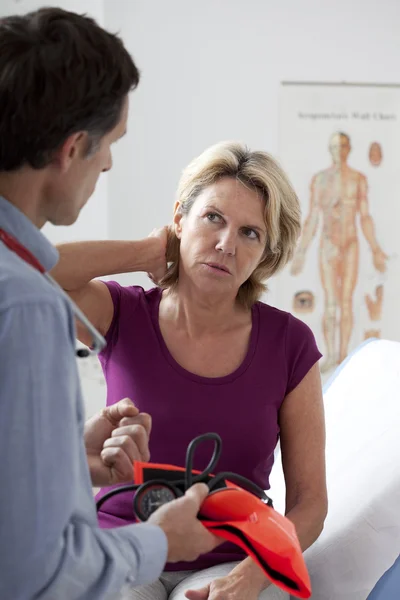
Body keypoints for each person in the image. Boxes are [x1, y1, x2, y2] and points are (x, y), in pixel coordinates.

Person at [0, 8, 222, 600]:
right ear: (73, 148)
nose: (110, 163)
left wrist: (68, 459)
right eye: (111, 144)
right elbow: (32, 568)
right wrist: (161, 543)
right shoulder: (26, 302)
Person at [52, 141, 328, 600]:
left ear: (266, 253)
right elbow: (29, 270)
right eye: (213, 218)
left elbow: (311, 504)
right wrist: (142, 252)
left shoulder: (290, 343)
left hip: (231, 557)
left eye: (250, 234)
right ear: (180, 218)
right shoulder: (122, 313)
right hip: (125, 543)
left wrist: (252, 576)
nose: (225, 245)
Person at [291, 132, 388, 373]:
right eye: (335, 146)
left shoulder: (358, 179)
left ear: (349, 148)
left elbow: (365, 217)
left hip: (351, 244)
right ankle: (332, 355)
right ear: (330, 149)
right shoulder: (320, 180)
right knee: (331, 303)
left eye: (343, 145)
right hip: (328, 246)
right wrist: (301, 252)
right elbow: (312, 218)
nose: (339, 150)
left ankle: (344, 356)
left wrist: (375, 249)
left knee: (345, 302)